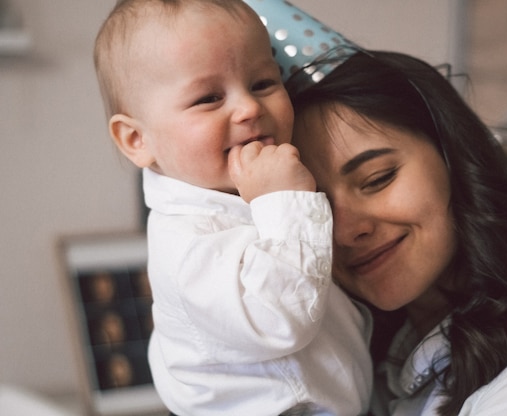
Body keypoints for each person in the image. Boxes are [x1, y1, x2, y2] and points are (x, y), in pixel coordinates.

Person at [287, 49, 507, 415]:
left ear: (454, 160)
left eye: (378, 179)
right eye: (316, 207)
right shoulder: (368, 366)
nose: (347, 231)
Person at [93, 1, 372, 415]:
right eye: (208, 97)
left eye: (262, 83)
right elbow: (280, 318)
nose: (249, 108)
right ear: (137, 140)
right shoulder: (188, 244)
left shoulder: (244, 192)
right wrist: (283, 200)